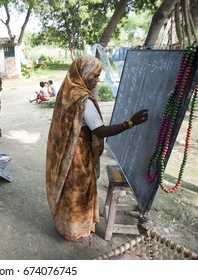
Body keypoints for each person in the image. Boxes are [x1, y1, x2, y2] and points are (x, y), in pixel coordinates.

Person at [45, 55, 149, 243]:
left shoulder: (67, 91)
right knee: (79, 191)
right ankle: (77, 229)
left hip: (66, 151)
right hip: (77, 155)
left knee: (70, 190)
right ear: (83, 74)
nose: (97, 80)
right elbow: (99, 130)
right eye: (94, 76)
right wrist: (130, 123)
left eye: (98, 75)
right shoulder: (83, 99)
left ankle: (65, 225)